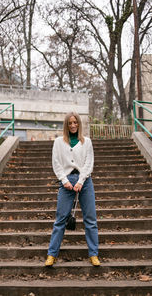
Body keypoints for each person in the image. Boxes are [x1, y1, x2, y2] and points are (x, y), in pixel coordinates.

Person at [45, 112, 100, 267]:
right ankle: (52, 254)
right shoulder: (58, 142)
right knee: (60, 219)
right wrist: (64, 181)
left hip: (85, 181)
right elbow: (56, 163)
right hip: (66, 182)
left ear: (79, 124)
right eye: (70, 123)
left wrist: (81, 181)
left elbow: (89, 163)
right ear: (66, 125)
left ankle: (94, 254)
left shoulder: (87, 142)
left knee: (90, 219)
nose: (73, 125)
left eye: (75, 122)